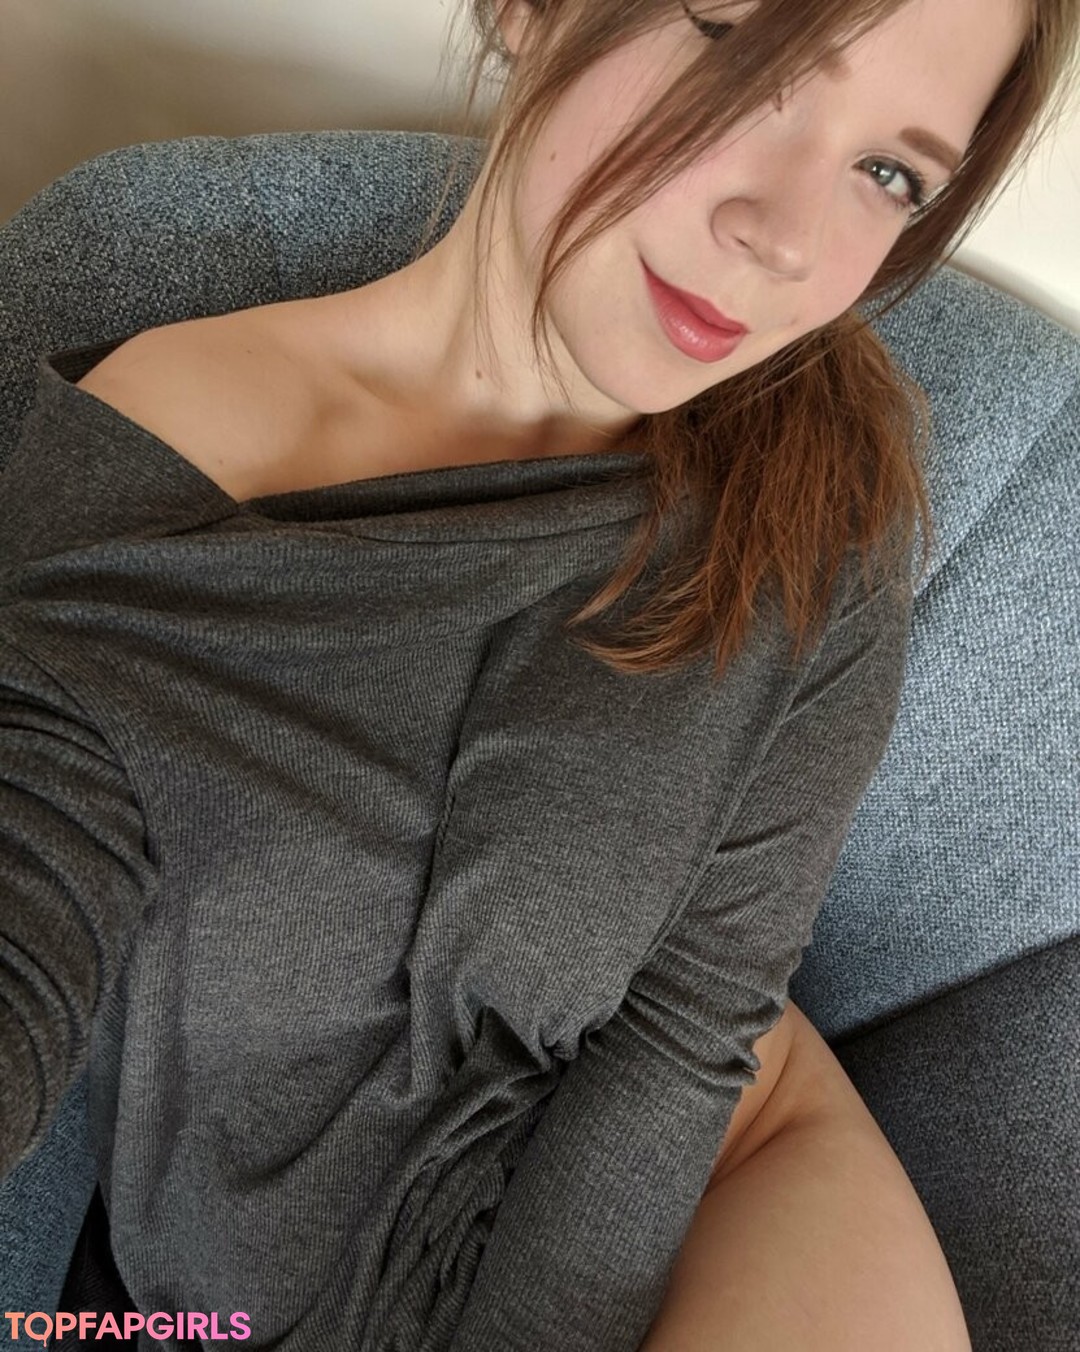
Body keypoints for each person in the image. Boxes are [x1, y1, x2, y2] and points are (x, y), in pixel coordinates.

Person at [0, 0, 1076, 1347]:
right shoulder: (174, 466)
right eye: (744, 59)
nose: (788, 239)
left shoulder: (825, 488)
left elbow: (695, 1017)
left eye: (889, 172)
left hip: (733, 1171)